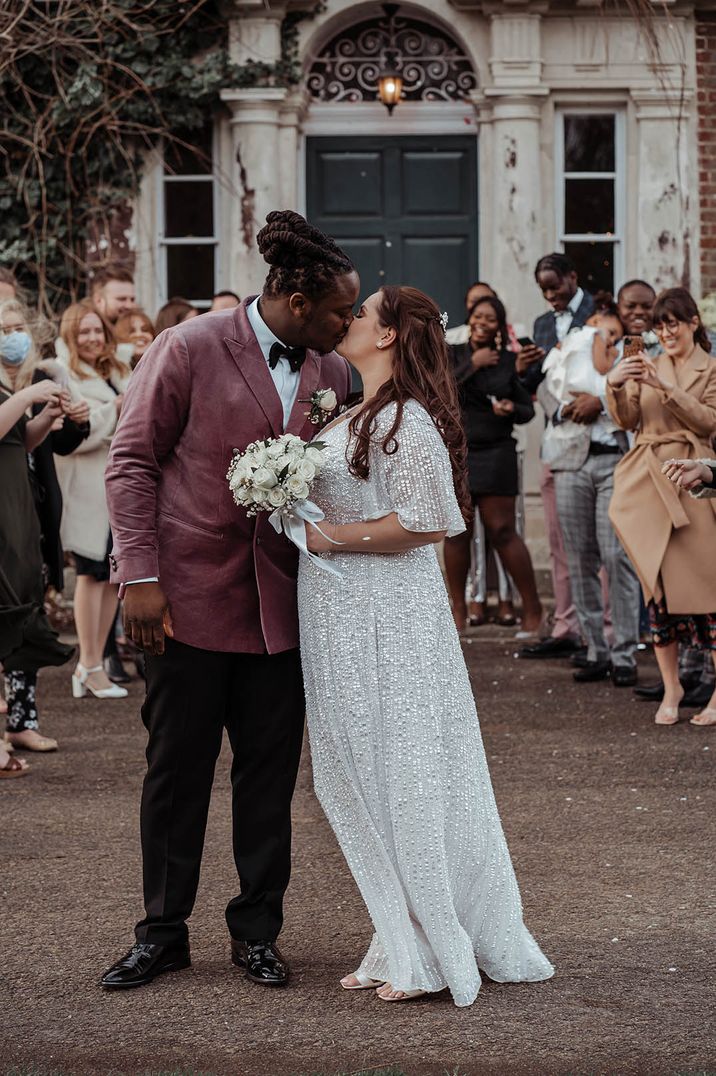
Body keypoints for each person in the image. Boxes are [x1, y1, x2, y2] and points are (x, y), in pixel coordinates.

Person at [100, 210, 358, 991]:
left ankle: (256, 930)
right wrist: (138, 577)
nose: (351, 322)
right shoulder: (187, 346)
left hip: (285, 611)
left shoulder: (334, 376)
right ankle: (163, 931)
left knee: (268, 777)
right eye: (343, 309)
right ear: (298, 296)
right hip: (183, 601)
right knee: (176, 772)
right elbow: (132, 461)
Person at [300, 285, 554, 1006]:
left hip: (388, 618)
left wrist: (326, 536)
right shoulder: (353, 409)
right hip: (339, 618)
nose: (345, 320)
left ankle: (432, 946)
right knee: (356, 773)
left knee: (402, 772)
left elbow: (431, 518)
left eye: (358, 313)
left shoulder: (406, 421)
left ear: (385, 337)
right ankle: (396, 933)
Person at [606, 287, 716, 726]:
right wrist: (615, 382)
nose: (666, 332)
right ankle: (672, 688)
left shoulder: (709, 368)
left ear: (693, 323)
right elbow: (627, 419)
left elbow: (709, 422)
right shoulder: (645, 362)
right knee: (658, 592)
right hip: (646, 481)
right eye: (660, 324)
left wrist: (663, 386)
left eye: (674, 322)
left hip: (693, 478)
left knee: (707, 589)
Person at [0, 299, 89, 753]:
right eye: (4, 328)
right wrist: (26, 398)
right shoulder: (14, 389)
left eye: (18, 327)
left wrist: (48, 419)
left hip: (20, 510)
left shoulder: (21, 383)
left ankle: (21, 719)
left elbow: (22, 441)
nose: (12, 336)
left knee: (22, 612)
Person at [537, 295, 641, 686]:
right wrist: (568, 408)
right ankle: (595, 648)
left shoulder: (626, 356)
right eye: (605, 326)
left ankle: (625, 652)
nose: (610, 336)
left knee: (616, 556)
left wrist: (600, 401)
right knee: (579, 555)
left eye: (617, 332)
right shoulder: (572, 346)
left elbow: (636, 403)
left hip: (614, 459)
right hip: (570, 460)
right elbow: (547, 393)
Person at [444, 296, 542, 635]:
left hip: (498, 452)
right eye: (478, 316)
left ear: (499, 326)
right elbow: (442, 392)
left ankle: (532, 608)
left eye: (491, 318)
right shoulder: (452, 355)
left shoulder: (509, 361)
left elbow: (527, 409)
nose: (483, 322)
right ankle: (458, 611)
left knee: (502, 531)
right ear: (470, 319)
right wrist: (474, 362)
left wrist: (509, 409)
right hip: (460, 454)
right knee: (458, 533)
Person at [518, 253, 595, 661]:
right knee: (559, 537)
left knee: (595, 542)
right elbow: (536, 383)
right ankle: (566, 624)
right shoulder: (543, 325)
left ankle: (601, 631)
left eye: (555, 286)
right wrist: (524, 367)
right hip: (555, 440)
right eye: (543, 290)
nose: (550, 296)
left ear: (573, 277)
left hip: (596, 440)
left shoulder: (599, 314)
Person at [55, 301, 132, 701]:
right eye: (82, 332)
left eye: (96, 330)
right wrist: (113, 411)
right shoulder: (64, 375)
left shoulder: (117, 371)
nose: (91, 338)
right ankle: (88, 663)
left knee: (109, 577)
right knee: (90, 575)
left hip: (115, 492)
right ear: (70, 336)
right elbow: (71, 440)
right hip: (87, 491)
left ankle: (95, 665)